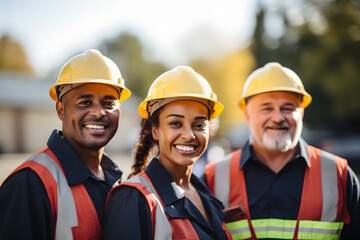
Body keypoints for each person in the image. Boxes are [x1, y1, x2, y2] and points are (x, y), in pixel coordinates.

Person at [203, 62, 360, 240]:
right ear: (248, 115)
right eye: (267, 108)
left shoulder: (339, 175)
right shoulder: (214, 177)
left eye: (287, 108)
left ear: (301, 114)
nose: (278, 118)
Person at [0, 49, 131, 240]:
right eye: (85, 102)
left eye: (108, 103)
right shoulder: (28, 184)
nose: (98, 113)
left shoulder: (116, 180)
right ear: (61, 110)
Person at [103, 66, 231, 239]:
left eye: (199, 125)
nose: (189, 135)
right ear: (155, 130)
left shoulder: (206, 195)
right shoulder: (133, 199)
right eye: (176, 123)